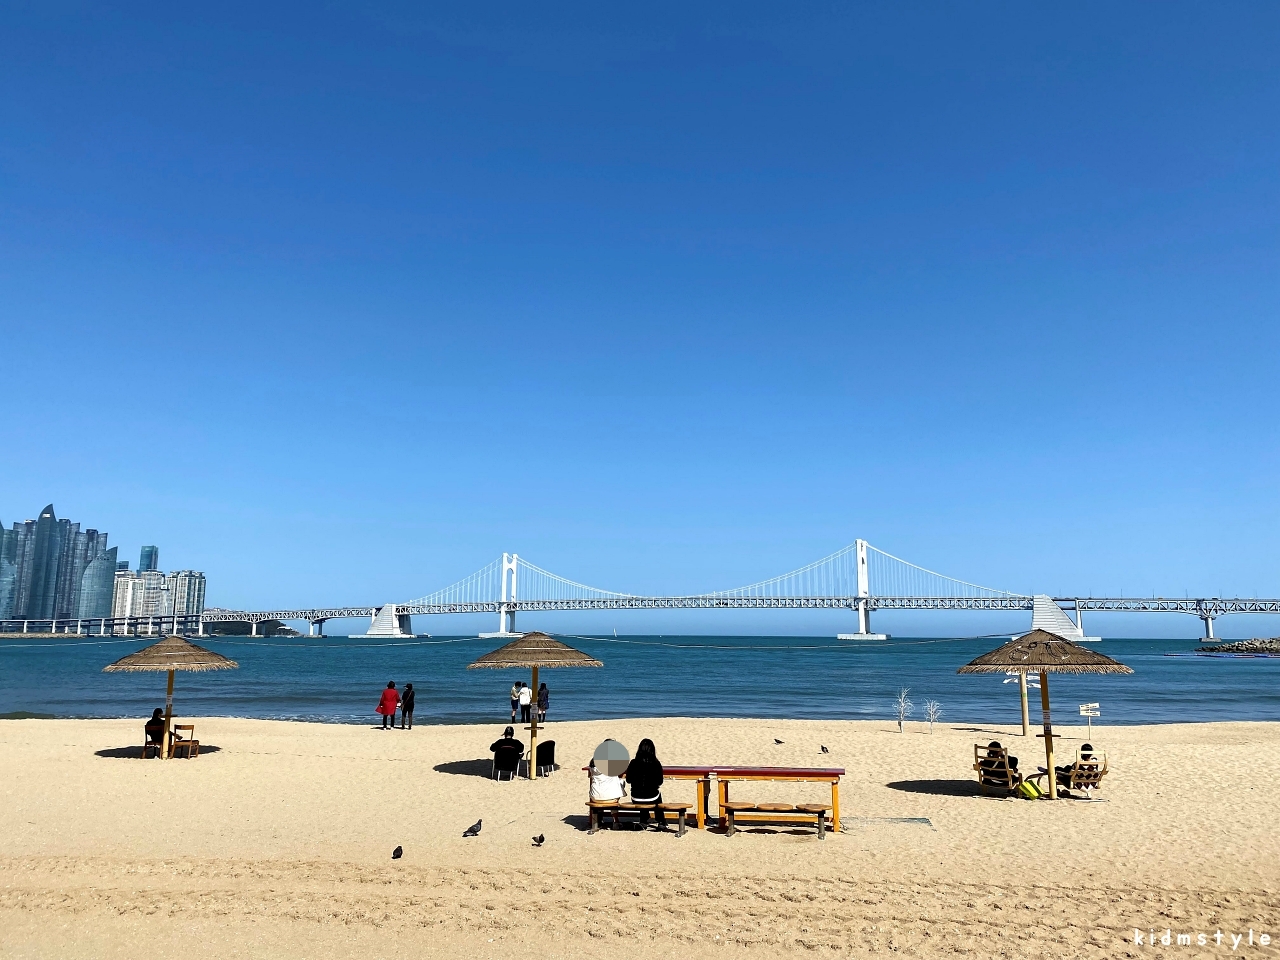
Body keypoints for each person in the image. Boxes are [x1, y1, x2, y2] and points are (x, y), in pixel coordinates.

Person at [624, 738, 665, 827]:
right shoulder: (656, 763)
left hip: (636, 798)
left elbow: (628, 780)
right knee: (656, 796)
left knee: (641, 792)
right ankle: (661, 820)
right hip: (652, 798)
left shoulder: (633, 763)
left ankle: (644, 819)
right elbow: (660, 781)